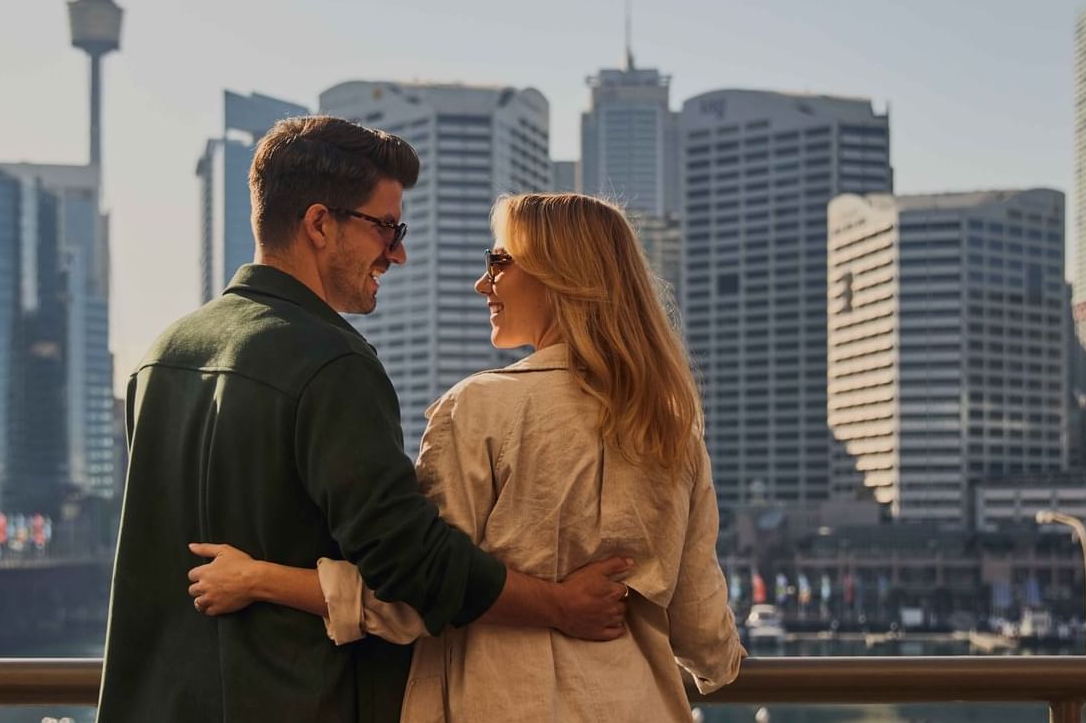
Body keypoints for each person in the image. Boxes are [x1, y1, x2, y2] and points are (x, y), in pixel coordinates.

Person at [96, 119, 633, 722]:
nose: (398, 253)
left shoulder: (161, 356)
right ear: (320, 224)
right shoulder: (330, 362)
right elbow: (410, 562)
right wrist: (559, 605)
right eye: (386, 228)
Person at [187, 192, 744, 721]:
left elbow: (412, 595)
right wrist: (728, 669)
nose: (483, 284)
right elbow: (704, 636)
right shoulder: (670, 427)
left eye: (499, 262)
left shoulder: (479, 410)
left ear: (560, 276)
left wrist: (256, 578)